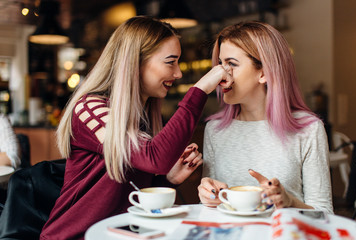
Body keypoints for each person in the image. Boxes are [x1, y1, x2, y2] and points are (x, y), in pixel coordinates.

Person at [40, 16, 233, 240]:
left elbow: (128, 192)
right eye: (170, 62)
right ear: (135, 62)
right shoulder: (89, 109)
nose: (178, 73)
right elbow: (154, 159)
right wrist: (200, 89)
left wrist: (167, 180)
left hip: (120, 234)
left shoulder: (141, 115)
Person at [197, 21, 333, 213]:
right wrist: (208, 196)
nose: (219, 74)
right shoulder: (214, 130)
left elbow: (324, 215)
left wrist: (289, 202)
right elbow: (213, 208)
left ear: (264, 73)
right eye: (220, 64)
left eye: (231, 64)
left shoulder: (308, 129)